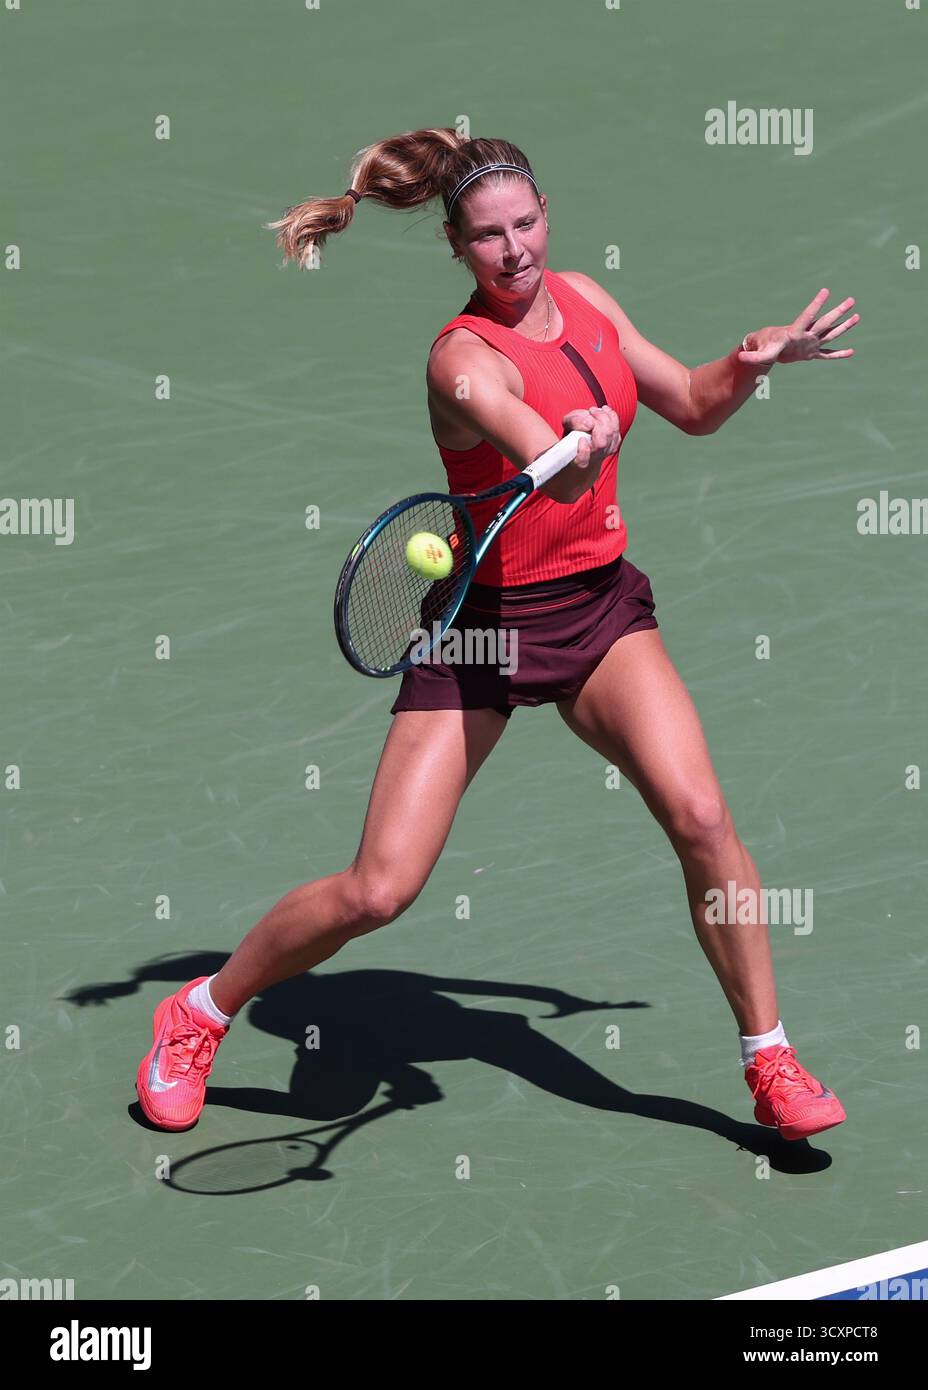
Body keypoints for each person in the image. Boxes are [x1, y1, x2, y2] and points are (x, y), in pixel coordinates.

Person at [136, 128, 858, 1141]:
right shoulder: (460, 361)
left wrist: (746, 363)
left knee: (700, 816)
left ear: (546, 215)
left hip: (599, 611)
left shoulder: (591, 301)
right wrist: (578, 444)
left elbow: (691, 403)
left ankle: (769, 1060)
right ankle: (199, 1011)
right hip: (484, 630)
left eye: (525, 224)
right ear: (454, 244)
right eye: (487, 236)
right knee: (378, 889)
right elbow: (543, 458)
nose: (513, 249)